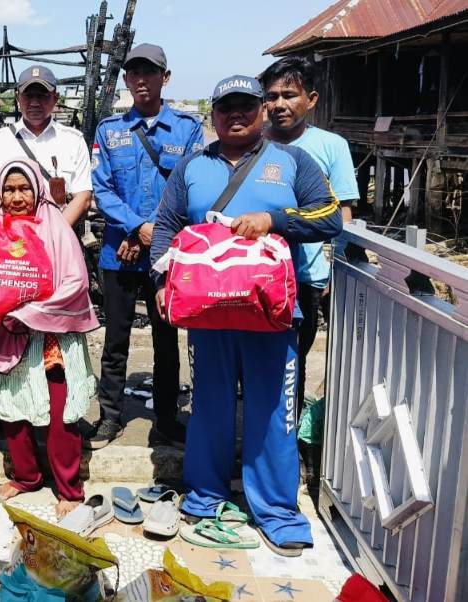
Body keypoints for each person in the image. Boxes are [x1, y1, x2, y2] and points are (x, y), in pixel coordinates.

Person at [149, 76, 342, 556]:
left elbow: (330, 217)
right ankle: (205, 495)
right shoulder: (193, 167)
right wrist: (160, 281)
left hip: (273, 313)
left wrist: (275, 221)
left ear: (261, 111)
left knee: (274, 410)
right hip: (209, 314)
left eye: (246, 106)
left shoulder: (292, 161)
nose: (236, 114)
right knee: (210, 405)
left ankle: (277, 511)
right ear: (213, 114)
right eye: (226, 107)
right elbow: (168, 225)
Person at [85, 43, 204, 450]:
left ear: (164, 78)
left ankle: (166, 422)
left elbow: (190, 188)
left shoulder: (188, 129)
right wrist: (139, 229)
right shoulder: (109, 130)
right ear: (125, 79)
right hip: (118, 253)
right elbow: (102, 188)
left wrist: (154, 233)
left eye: (149, 72)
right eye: (133, 72)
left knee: (166, 341)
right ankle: (110, 418)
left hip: (165, 256)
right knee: (115, 339)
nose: (140, 79)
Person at [0, 158, 99, 519]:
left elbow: (75, 281)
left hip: (50, 336)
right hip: (9, 334)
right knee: (12, 409)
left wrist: (30, 312)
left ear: (37, 189)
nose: (16, 197)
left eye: (23, 188)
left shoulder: (54, 225)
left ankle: (69, 489)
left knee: (61, 415)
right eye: (9, 189)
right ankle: (26, 476)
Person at [260, 56, 358, 407]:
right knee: (252, 364)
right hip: (254, 275)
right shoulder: (253, 142)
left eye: (289, 95)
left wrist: (336, 269)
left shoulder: (332, 146)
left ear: (311, 100)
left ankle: (290, 441)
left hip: (305, 277)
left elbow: (344, 213)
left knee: (293, 363)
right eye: (271, 96)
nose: (279, 105)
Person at [0, 64, 92, 224]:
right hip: (15, 241)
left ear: (56, 98)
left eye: (43, 95)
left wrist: (55, 234)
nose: (35, 103)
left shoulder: (73, 141)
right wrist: (16, 232)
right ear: (17, 98)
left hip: (60, 236)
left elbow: (83, 197)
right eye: (28, 96)